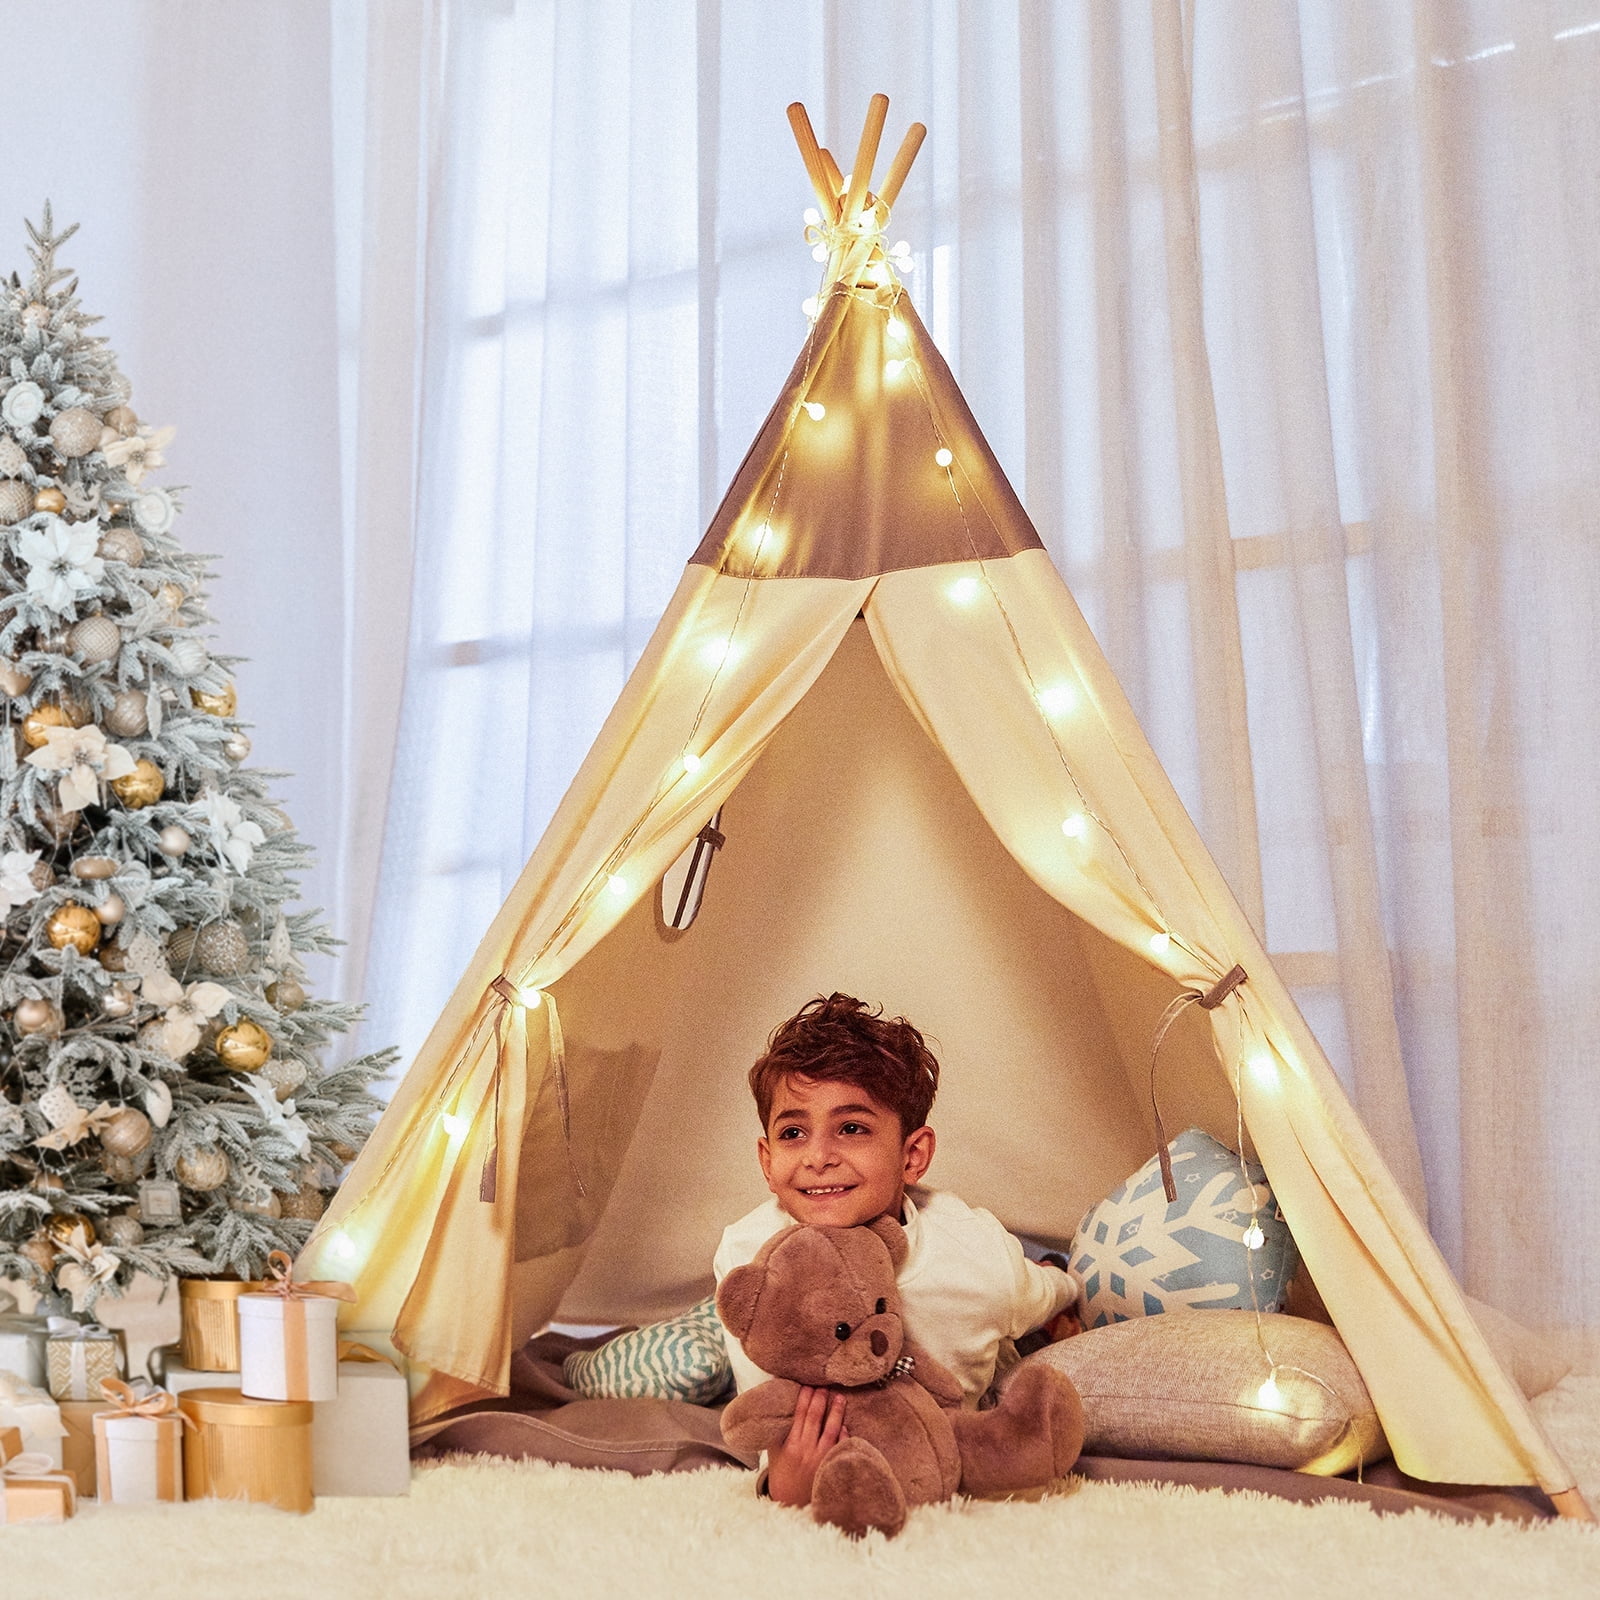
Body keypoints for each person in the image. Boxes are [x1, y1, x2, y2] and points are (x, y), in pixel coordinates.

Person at [713, 992, 1081, 1507]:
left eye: (851, 1128)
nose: (818, 1157)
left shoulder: (978, 1257)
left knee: (1039, 1304)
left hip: (982, 1353)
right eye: (793, 1132)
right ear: (767, 1160)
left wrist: (1066, 1286)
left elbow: (1047, 1292)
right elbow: (770, 1418)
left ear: (913, 1156)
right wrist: (779, 1479)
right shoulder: (749, 1255)